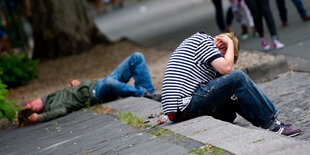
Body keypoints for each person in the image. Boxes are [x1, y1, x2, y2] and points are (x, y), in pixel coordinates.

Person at [161, 30, 301, 137]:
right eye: (225, 55)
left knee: (228, 113)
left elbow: (220, 83)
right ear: (222, 45)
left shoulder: (198, 45)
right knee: (237, 77)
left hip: (177, 109)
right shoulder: (204, 42)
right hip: (184, 104)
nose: (223, 58)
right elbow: (226, 69)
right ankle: (271, 124)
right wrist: (229, 43)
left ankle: (271, 121)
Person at [18, 52, 161, 127]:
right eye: (32, 107)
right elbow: (61, 111)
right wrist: (40, 117)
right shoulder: (51, 107)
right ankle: (145, 95)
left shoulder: (51, 97)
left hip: (99, 82)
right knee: (111, 82)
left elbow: (70, 92)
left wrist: (75, 84)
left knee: (136, 57)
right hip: (98, 93)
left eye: (30, 103)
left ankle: (150, 93)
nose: (31, 101)